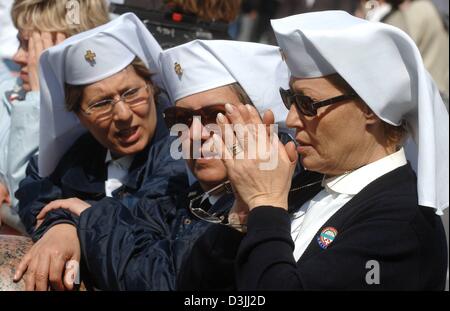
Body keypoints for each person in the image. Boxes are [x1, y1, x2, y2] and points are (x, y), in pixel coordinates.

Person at [180, 11, 448, 290]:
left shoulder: (401, 224)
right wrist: (242, 220)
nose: (293, 119)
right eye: (290, 99)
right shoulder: (307, 185)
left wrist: (266, 205)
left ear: (370, 106)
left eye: (308, 104)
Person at [35, 39, 292, 290]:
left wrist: (90, 217)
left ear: (261, 121)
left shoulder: (269, 203)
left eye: (216, 116)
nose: (194, 134)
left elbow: (161, 282)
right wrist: (65, 225)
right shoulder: (186, 196)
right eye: (181, 118)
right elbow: (134, 218)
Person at [12, 13, 187, 291]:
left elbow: (148, 214)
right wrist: (61, 226)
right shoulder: (80, 154)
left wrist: (78, 221)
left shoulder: (182, 151)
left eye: (131, 93)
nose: (122, 114)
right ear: (78, 115)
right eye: (102, 104)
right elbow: (35, 186)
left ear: (151, 87)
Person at [0, 0, 110, 234]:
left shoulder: (101, 114)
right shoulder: (7, 92)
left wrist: (41, 98)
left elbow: (27, 200)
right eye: (20, 41)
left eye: (32, 46)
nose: (18, 56)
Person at [357, 0, 449, 108]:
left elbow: (396, 56)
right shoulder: (435, 7)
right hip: (439, 94)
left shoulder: (417, 11)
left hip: (427, 98)